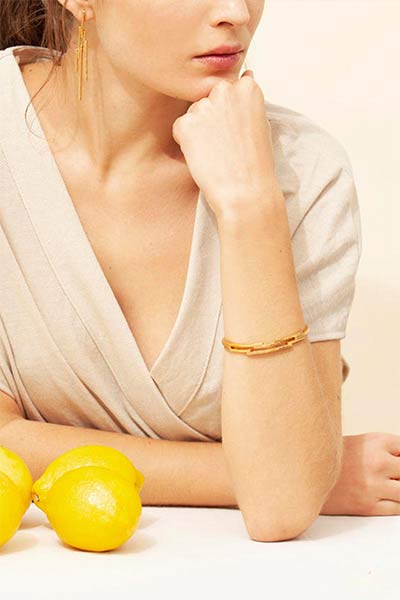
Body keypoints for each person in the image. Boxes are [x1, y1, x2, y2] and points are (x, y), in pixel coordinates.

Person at [0, 0, 397, 538]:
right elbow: (288, 485)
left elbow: (280, 508)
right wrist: (289, 473)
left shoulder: (302, 171)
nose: (236, 12)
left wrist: (250, 207)